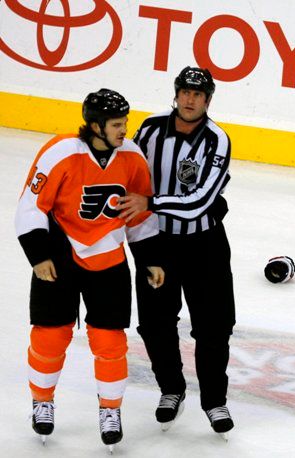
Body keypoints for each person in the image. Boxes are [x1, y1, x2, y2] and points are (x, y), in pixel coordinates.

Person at [15, 89, 164, 449]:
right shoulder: (62, 152)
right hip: (60, 257)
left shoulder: (131, 157)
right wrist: (39, 255)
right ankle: (43, 401)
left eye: (125, 122)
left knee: (110, 342)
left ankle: (110, 409)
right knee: (50, 337)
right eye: (116, 124)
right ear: (95, 125)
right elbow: (31, 206)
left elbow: (138, 215)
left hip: (109, 259)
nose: (124, 130)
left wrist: (151, 257)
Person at [116, 66, 236, 435]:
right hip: (157, 244)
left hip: (206, 246)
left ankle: (215, 401)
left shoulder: (217, 139)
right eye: (184, 91)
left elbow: (199, 202)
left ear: (208, 100)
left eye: (197, 95)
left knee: (214, 327)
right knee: (155, 324)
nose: (189, 99)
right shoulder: (150, 129)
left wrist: (149, 202)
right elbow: (127, 172)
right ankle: (171, 389)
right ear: (176, 93)